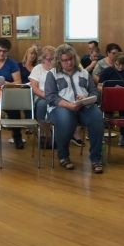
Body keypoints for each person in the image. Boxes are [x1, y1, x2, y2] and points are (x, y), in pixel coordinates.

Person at [45, 44, 104, 173]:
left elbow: (95, 93)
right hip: (61, 107)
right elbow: (50, 97)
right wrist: (69, 105)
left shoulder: (83, 72)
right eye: (65, 60)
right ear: (59, 61)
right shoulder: (52, 74)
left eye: (71, 59)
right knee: (66, 119)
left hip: (83, 106)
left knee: (97, 117)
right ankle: (63, 156)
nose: (69, 62)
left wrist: (86, 97)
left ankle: (96, 159)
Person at [99, 54, 124, 146]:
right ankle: (102, 134)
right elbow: (99, 86)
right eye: (118, 64)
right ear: (114, 63)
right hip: (110, 98)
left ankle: (123, 135)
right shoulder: (107, 71)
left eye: (123, 65)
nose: (120, 67)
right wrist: (111, 90)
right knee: (105, 114)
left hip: (123, 98)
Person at [28, 46, 57, 146]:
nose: (50, 61)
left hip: (56, 96)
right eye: (47, 59)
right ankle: (44, 134)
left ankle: (57, 135)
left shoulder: (58, 68)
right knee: (42, 105)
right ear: (43, 58)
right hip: (41, 95)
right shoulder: (37, 68)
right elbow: (34, 87)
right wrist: (47, 95)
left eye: (52, 59)